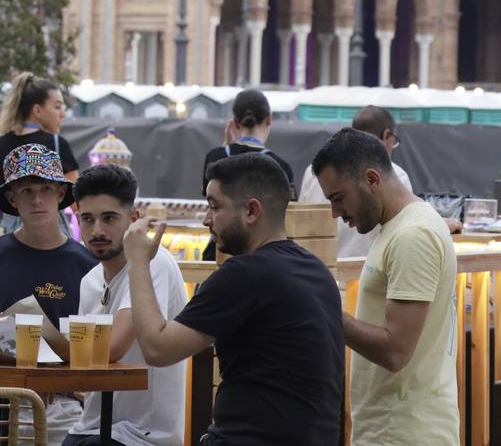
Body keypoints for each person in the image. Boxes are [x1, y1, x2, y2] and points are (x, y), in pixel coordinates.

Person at [124, 154, 344, 446]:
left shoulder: (244, 274)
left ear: (251, 211)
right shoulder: (316, 269)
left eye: (214, 206)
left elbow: (157, 348)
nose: (206, 220)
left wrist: (137, 262)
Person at [312, 128, 459, 445]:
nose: (335, 213)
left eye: (338, 198)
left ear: (372, 179)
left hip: (406, 432)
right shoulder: (400, 229)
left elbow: (396, 351)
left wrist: (326, 311)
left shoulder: (413, 236)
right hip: (395, 428)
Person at [0, 142, 96, 445]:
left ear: (61, 194)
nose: (37, 199)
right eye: (26, 191)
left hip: (64, 405)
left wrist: (53, 376)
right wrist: (32, 368)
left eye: (46, 189)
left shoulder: (88, 266)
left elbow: (96, 349)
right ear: (12, 198)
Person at [60, 164, 186, 446]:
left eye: (109, 218)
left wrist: (45, 336)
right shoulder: (89, 280)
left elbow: (112, 348)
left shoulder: (154, 263)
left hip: (142, 436)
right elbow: (84, 371)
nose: (97, 230)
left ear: (134, 219)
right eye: (88, 219)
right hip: (90, 428)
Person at [298, 106, 459, 258]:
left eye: (339, 198)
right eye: (334, 198)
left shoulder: (312, 172)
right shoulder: (397, 175)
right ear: (386, 136)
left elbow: (409, 230)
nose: (335, 214)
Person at [200, 89, 294, 260]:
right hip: (267, 256)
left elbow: (211, 199)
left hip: (218, 252)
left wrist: (225, 147)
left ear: (235, 122)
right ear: (269, 118)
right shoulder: (280, 166)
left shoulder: (216, 157)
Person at [0, 73, 79, 233]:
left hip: (9, 234)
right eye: (57, 107)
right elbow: (77, 204)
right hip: (49, 236)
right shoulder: (57, 145)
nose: (63, 113)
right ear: (38, 110)